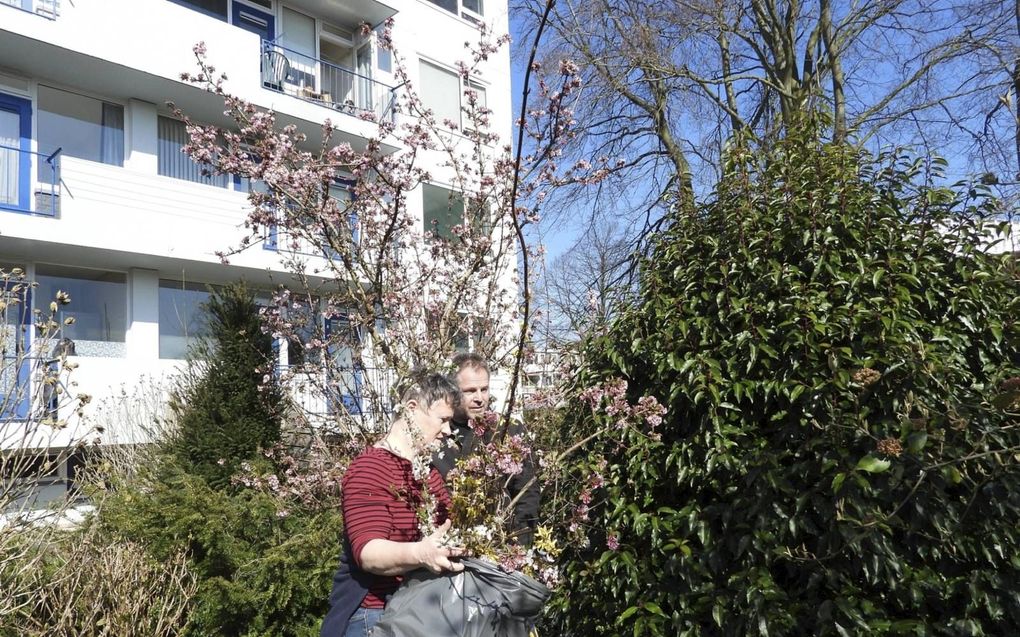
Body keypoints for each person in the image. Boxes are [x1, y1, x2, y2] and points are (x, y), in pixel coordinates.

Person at [320, 372, 467, 637]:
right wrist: (422, 554)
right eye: (442, 420)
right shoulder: (370, 468)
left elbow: (448, 529)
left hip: (420, 611)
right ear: (412, 409)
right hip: (374, 615)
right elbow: (369, 553)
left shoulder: (429, 473)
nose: (448, 430)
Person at [432, 352, 541, 546]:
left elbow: (527, 492)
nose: (480, 398)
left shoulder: (508, 430)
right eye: (470, 391)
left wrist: (520, 544)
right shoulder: (436, 434)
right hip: (450, 543)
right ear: (452, 392)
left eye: (484, 389)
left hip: (501, 543)